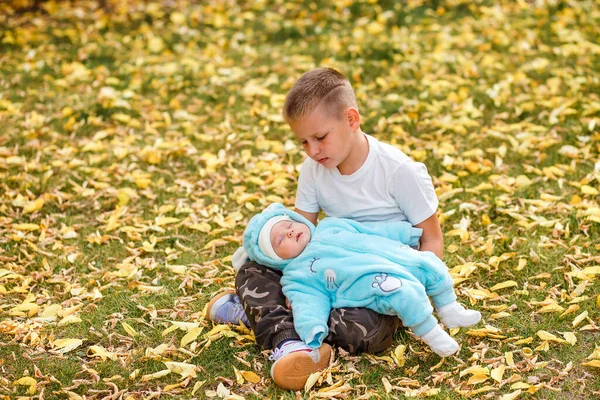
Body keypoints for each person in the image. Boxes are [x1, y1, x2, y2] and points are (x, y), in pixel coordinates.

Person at [206, 67, 445, 390]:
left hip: (379, 281)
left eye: (320, 137)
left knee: (365, 329)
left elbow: (431, 239)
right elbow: (302, 232)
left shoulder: (400, 172)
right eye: (303, 142)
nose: (313, 151)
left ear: (351, 119)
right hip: (323, 270)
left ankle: (260, 317)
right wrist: (294, 281)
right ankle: (291, 344)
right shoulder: (314, 169)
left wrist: (415, 295)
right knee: (252, 269)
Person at [237, 203, 481, 359]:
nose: (290, 232)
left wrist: (405, 233)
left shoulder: (330, 226)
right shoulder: (297, 275)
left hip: (397, 256)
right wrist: (312, 328)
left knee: (432, 265)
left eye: (290, 224)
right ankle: (432, 333)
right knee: (403, 294)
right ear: (276, 260)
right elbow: (308, 303)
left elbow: (369, 231)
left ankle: (451, 309)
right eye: (281, 240)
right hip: (376, 285)